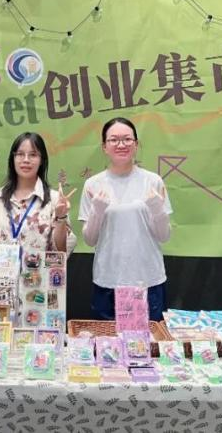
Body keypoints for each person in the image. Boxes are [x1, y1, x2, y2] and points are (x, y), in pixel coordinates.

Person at [79, 117, 172, 321]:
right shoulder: (93, 185)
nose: (121, 144)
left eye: (127, 139)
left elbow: (164, 236)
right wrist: (97, 210)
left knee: (149, 339)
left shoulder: (153, 181)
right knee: (108, 340)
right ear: (104, 147)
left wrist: (157, 208)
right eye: (114, 140)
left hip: (148, 280)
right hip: (108, 280)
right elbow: (89, 240)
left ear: (136, 144)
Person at [0, 131, 76, 254]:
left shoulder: (54, 200)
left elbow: (61, 251)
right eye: (20, 154)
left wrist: (61, 217)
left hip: (37, 267)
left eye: (33, 155)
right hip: (0, 266)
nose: (26, 160)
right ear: (13, 159)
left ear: (42, 160)